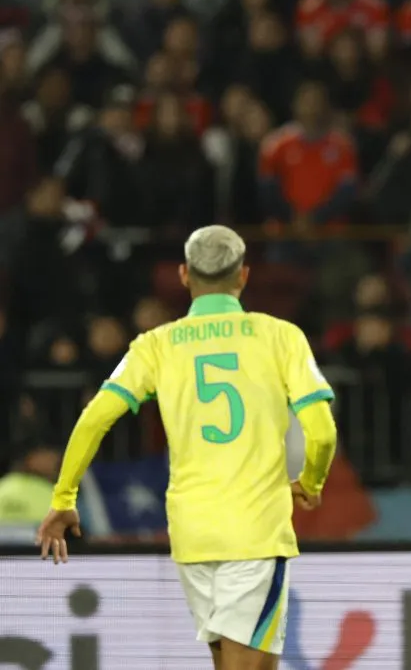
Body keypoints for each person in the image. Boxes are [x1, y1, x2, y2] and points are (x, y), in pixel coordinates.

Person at [35, 225, 338, 670]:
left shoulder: (155, 345)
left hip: (191, 532)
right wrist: (311, 482)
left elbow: (94, 419)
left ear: (183, 275)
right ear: (243, 276)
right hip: (254, 530)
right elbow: (323, 432)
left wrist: (63, 497)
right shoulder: (280, 336)